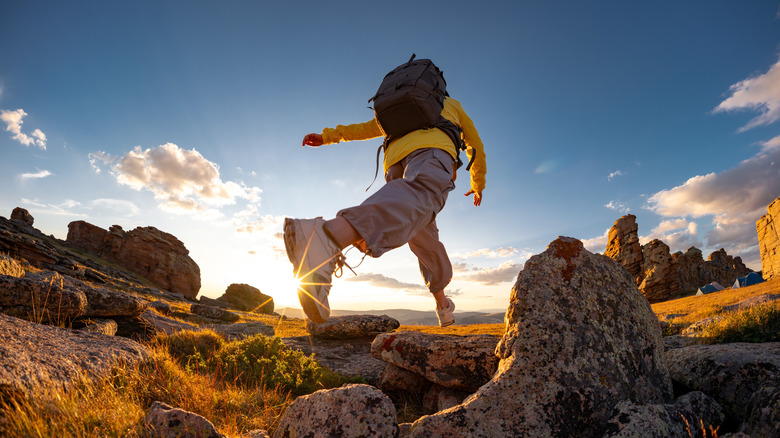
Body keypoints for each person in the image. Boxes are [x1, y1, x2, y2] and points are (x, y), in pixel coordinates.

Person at [284, 88, 486, 328]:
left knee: (422, 234)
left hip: (395, 165)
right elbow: (475, 144)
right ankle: (326, 236)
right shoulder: (451, 105)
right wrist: (478, 183)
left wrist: (327, 136)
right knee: (421, 196)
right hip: (433, 153)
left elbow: (366, 128)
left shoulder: (401, 107)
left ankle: (443, 306)